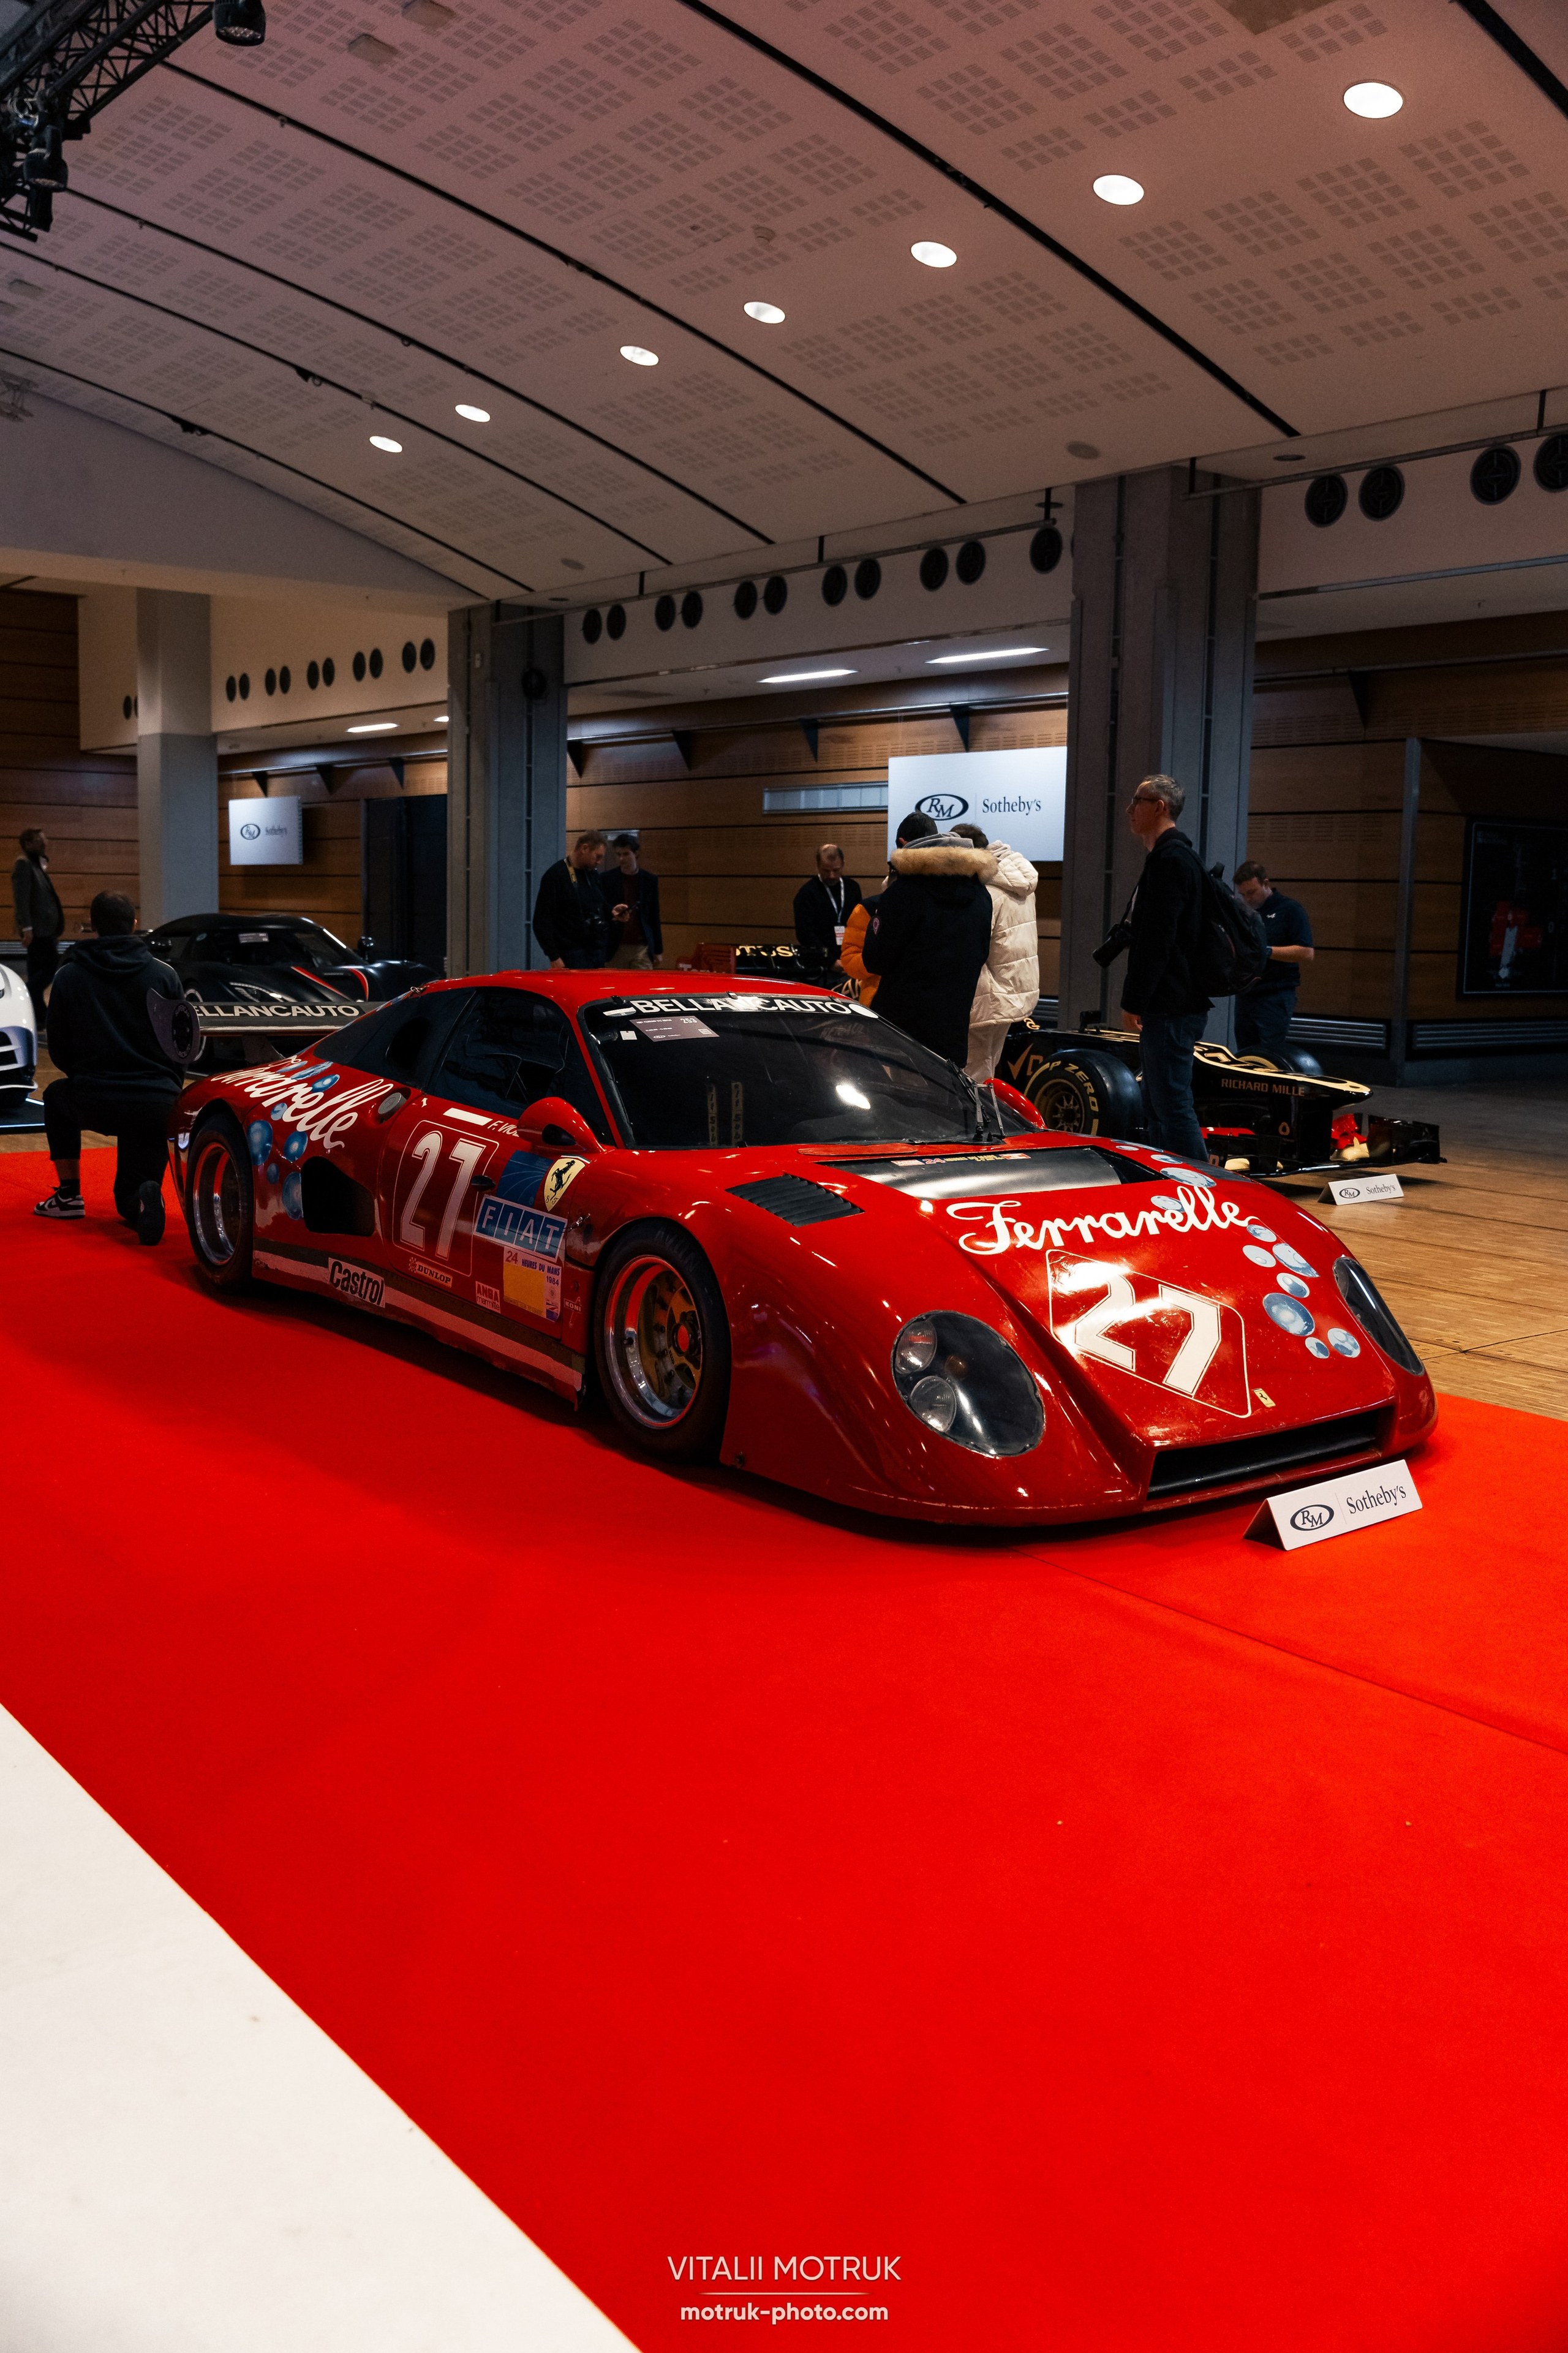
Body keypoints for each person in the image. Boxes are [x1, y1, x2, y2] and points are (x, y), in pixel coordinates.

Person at [35, 891, 184, 1241]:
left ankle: (69, 1195)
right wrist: (167, 1088)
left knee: (56, 1096)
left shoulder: (70, 976)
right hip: (157, 1105)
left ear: (94, 926)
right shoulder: (165, 976)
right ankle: (144, 1199)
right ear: (134, 925)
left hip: (93, 1099)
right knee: (129, 1196)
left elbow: (58, 1047)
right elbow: (181, 1047)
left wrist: (87, 1078)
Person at [1118, 774, 1212, 1163]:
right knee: (1157, 1104)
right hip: (1170, 1002)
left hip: (1172, 1003)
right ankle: (1169, 1181)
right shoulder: (1167, 856)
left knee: (1172, 1105)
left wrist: (1133, 1000)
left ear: (1160, 807)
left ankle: (1207, 1190)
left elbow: (1157, 941)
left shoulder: (1172, 859)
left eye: (1138, 801)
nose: (1130, 809)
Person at [861, 812, 993, 1065]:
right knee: (945, 1101)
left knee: (899, 1101)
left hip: (900, 1032)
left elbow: (874, 960)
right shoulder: (981, 895)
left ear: (902, 845)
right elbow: (980, 954)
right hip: (953, 1031)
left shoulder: (902, 893)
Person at [951, 822, 1041, 1080]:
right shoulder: (1019, 880)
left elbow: (970, 944)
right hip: (1011, 991)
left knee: (972, 1076)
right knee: (988, 1071)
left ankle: (975, 1122)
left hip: (986, 995)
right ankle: (986, 1119)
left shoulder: (987, 890)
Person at [1232, 861, 1314, 1052]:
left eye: (1251, 893)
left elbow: (1306, 953)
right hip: (1246, 994)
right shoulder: (1243, 913)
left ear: (1265, 884)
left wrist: (1266, 951)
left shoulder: (1289, 909)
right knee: (1245, 1056)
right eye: (1242, 895)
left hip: (1275, 995)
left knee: (1270, 1055)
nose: (1247, 899)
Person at [12, 826, 64, 1040]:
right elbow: (22, 899)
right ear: (28, 844)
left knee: (36, 973)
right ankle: (25, 995)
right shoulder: (23, 865)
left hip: (46, 930)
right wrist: (27, 929)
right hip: (38, 932)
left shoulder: (37, 865)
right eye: (40, 842)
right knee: (50, 968)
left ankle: (37, 1017)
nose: (45, 844)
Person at [532, 831, 610, 970]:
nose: (599, 862)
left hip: (596, 952)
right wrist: (554, 957)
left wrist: (613, 912)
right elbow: (541, 921)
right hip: (570, 954)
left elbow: (599, 906)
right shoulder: (556, 875)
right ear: (584, 849)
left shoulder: (593, 875)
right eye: (597, 857)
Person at [603, 833, 663, 970]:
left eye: (626, 854)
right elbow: (603, 909)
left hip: (641, 946)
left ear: (636, 853)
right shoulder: (607, 879)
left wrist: (658, 950)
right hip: (616, 946)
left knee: (642, 988)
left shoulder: (649, 880)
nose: (621, 859)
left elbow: (654, 916)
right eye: (618, 855)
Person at [793, 843, 862, 959]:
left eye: (836, 870)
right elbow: (805, 934)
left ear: (843, 865)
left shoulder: (853, 888)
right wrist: (830, 961)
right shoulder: (807, 893)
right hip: (820, 962)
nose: (832, 876)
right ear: (818, 866)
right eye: (826, 870)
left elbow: (859, 925)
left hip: (851, 957)